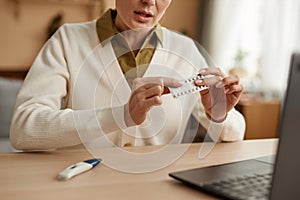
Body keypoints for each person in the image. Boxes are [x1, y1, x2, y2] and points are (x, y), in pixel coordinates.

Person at [10, 0, 245, 151]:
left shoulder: (186, 51)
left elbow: (235, 133)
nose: (149, 1)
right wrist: (121, 115)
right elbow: (24, 129)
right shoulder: (68, 40)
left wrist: (219, 115)